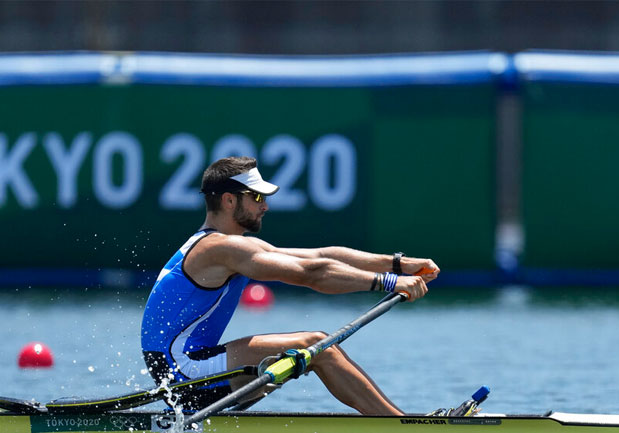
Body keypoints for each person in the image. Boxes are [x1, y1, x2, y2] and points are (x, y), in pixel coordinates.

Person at [140, 156, 439, 415]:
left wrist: (397, 263)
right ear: (229, 200)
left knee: (311, 348)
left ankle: (396, 420)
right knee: (315, 345)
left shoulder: (229, 247)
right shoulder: (217, 249)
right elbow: (312, 274)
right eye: (257, 197)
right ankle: (403, 425)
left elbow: (322, 255)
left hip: (186, 368)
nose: (265, 206)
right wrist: (389, 282)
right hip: (182, 373)